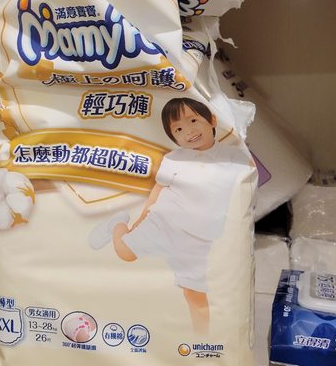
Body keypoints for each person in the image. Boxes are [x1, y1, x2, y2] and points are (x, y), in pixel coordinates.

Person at [88, 97, 251, 334]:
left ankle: (201, 340)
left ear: (212, 120)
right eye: (179, 129)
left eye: (193, 121)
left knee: (194, 292)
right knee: (126, 253)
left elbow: (244, 193)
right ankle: (117, 223)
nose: (189, 131)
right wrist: (141, 218)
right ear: (173, 137)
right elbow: (159, 189)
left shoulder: (234, 156)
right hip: (165, 221)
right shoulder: (174, 159)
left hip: (200, 239)